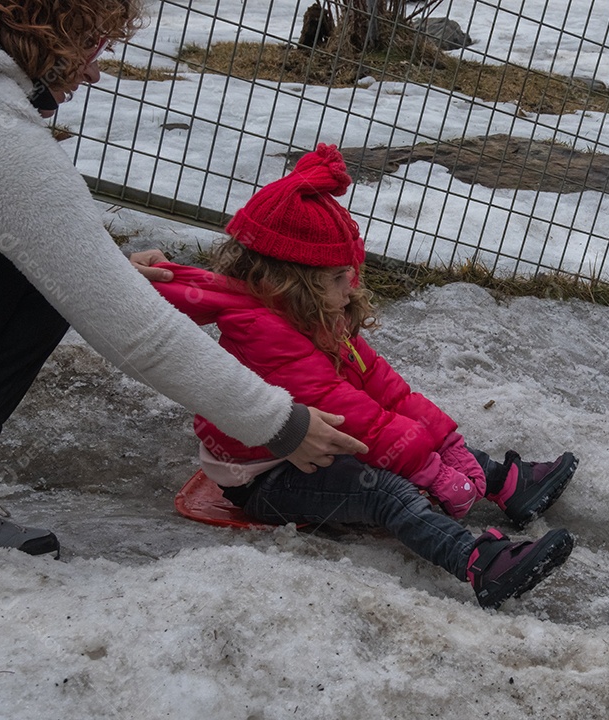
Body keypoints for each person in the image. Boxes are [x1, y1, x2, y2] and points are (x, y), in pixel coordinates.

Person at [0, 0, 368, 559]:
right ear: (43, 30)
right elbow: (138, 332)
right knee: (60, 275)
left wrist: (96, 265)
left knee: (41, 259)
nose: (94, 70)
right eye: (90, 45)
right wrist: (280, 423)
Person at [148, 144, 579, 609]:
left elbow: (381, 387)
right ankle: (479, 562)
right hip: (267, 478)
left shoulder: (308, 312)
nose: (351, 286)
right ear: (294, 281)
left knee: (411, 435)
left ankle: (505, 481)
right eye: (338, 278)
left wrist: (446, 444)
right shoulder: (265, 332)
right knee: (384, 490)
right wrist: (425, 468)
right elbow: (353, 417)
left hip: (311, 442)